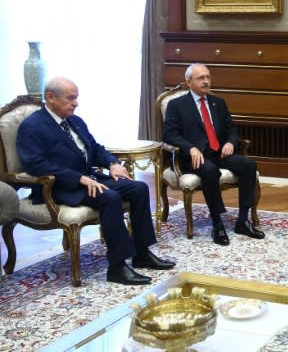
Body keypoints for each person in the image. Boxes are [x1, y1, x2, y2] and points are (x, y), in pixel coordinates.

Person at [16, 77, 175, 285]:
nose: (76, 103)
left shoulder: (74, 120)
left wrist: (112, 163)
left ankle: (142, 253)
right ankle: (117, 267)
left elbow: (95, 147)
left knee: (138, 188)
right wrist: (78, 178)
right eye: (71, 98)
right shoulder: (33, 126)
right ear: (50, 97)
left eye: (76, 98)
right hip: (59, 187)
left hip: (90, 179)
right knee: (110, 197)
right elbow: (36, 165)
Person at [163, 63, 264, 246]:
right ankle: (217, 223)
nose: (206, 81)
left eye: (208, 77)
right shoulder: (176, 105)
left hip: (219, 153)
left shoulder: (218, 102)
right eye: (201, 78)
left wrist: (230, 142)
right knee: (210, 171)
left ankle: (242, 220)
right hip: (193, 157)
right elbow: (170, 134)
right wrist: (190, 148)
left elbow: (231, 129)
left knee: (248, 165)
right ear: (188, 81)